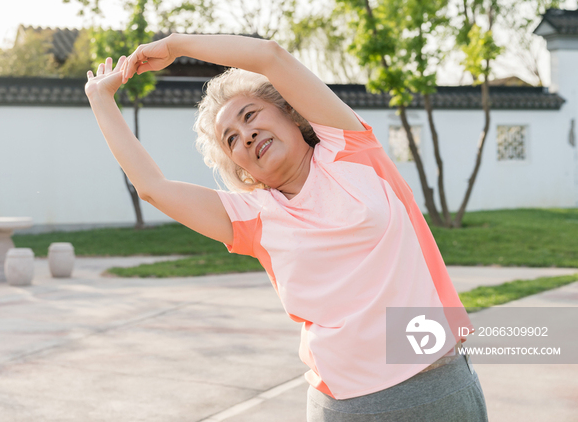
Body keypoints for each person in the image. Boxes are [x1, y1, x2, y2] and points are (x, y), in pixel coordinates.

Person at [84, 34, 489, 421]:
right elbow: (153, 188)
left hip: (437, 385)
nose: (246, 135)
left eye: (250, 115)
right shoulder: (254, 217)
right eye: (231, 139)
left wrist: (175, 46)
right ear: (238, 165)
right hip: (348, 406)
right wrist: (100, 98)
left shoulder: (350, 150)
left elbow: (269, 56)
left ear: (290, 112)